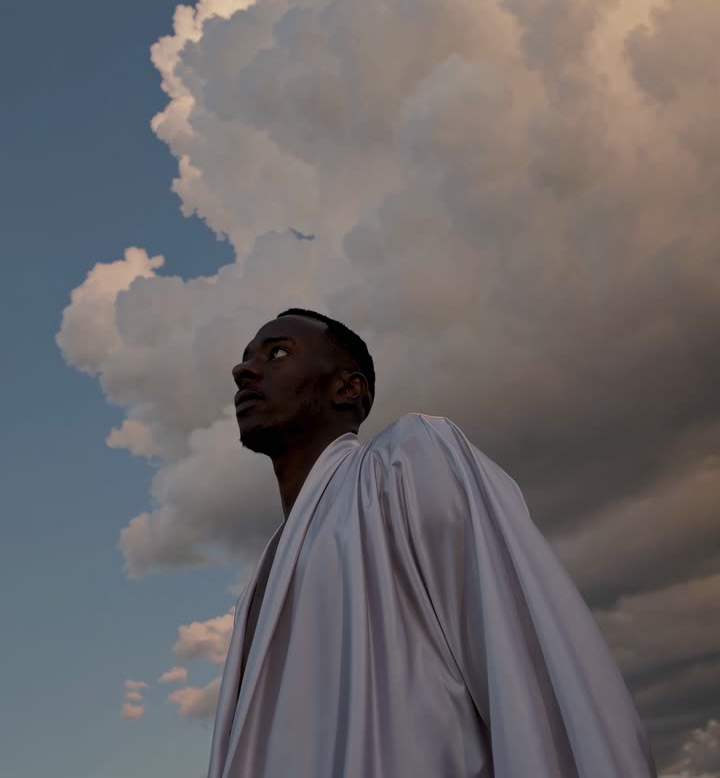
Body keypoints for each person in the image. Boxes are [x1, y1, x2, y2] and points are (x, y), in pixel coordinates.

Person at [208, 307, 658, 778]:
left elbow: (525, 667)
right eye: (244, 359)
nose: (243, 371)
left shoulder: (407, 460)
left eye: (277, 352)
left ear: (348, 388)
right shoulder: (261, 582)